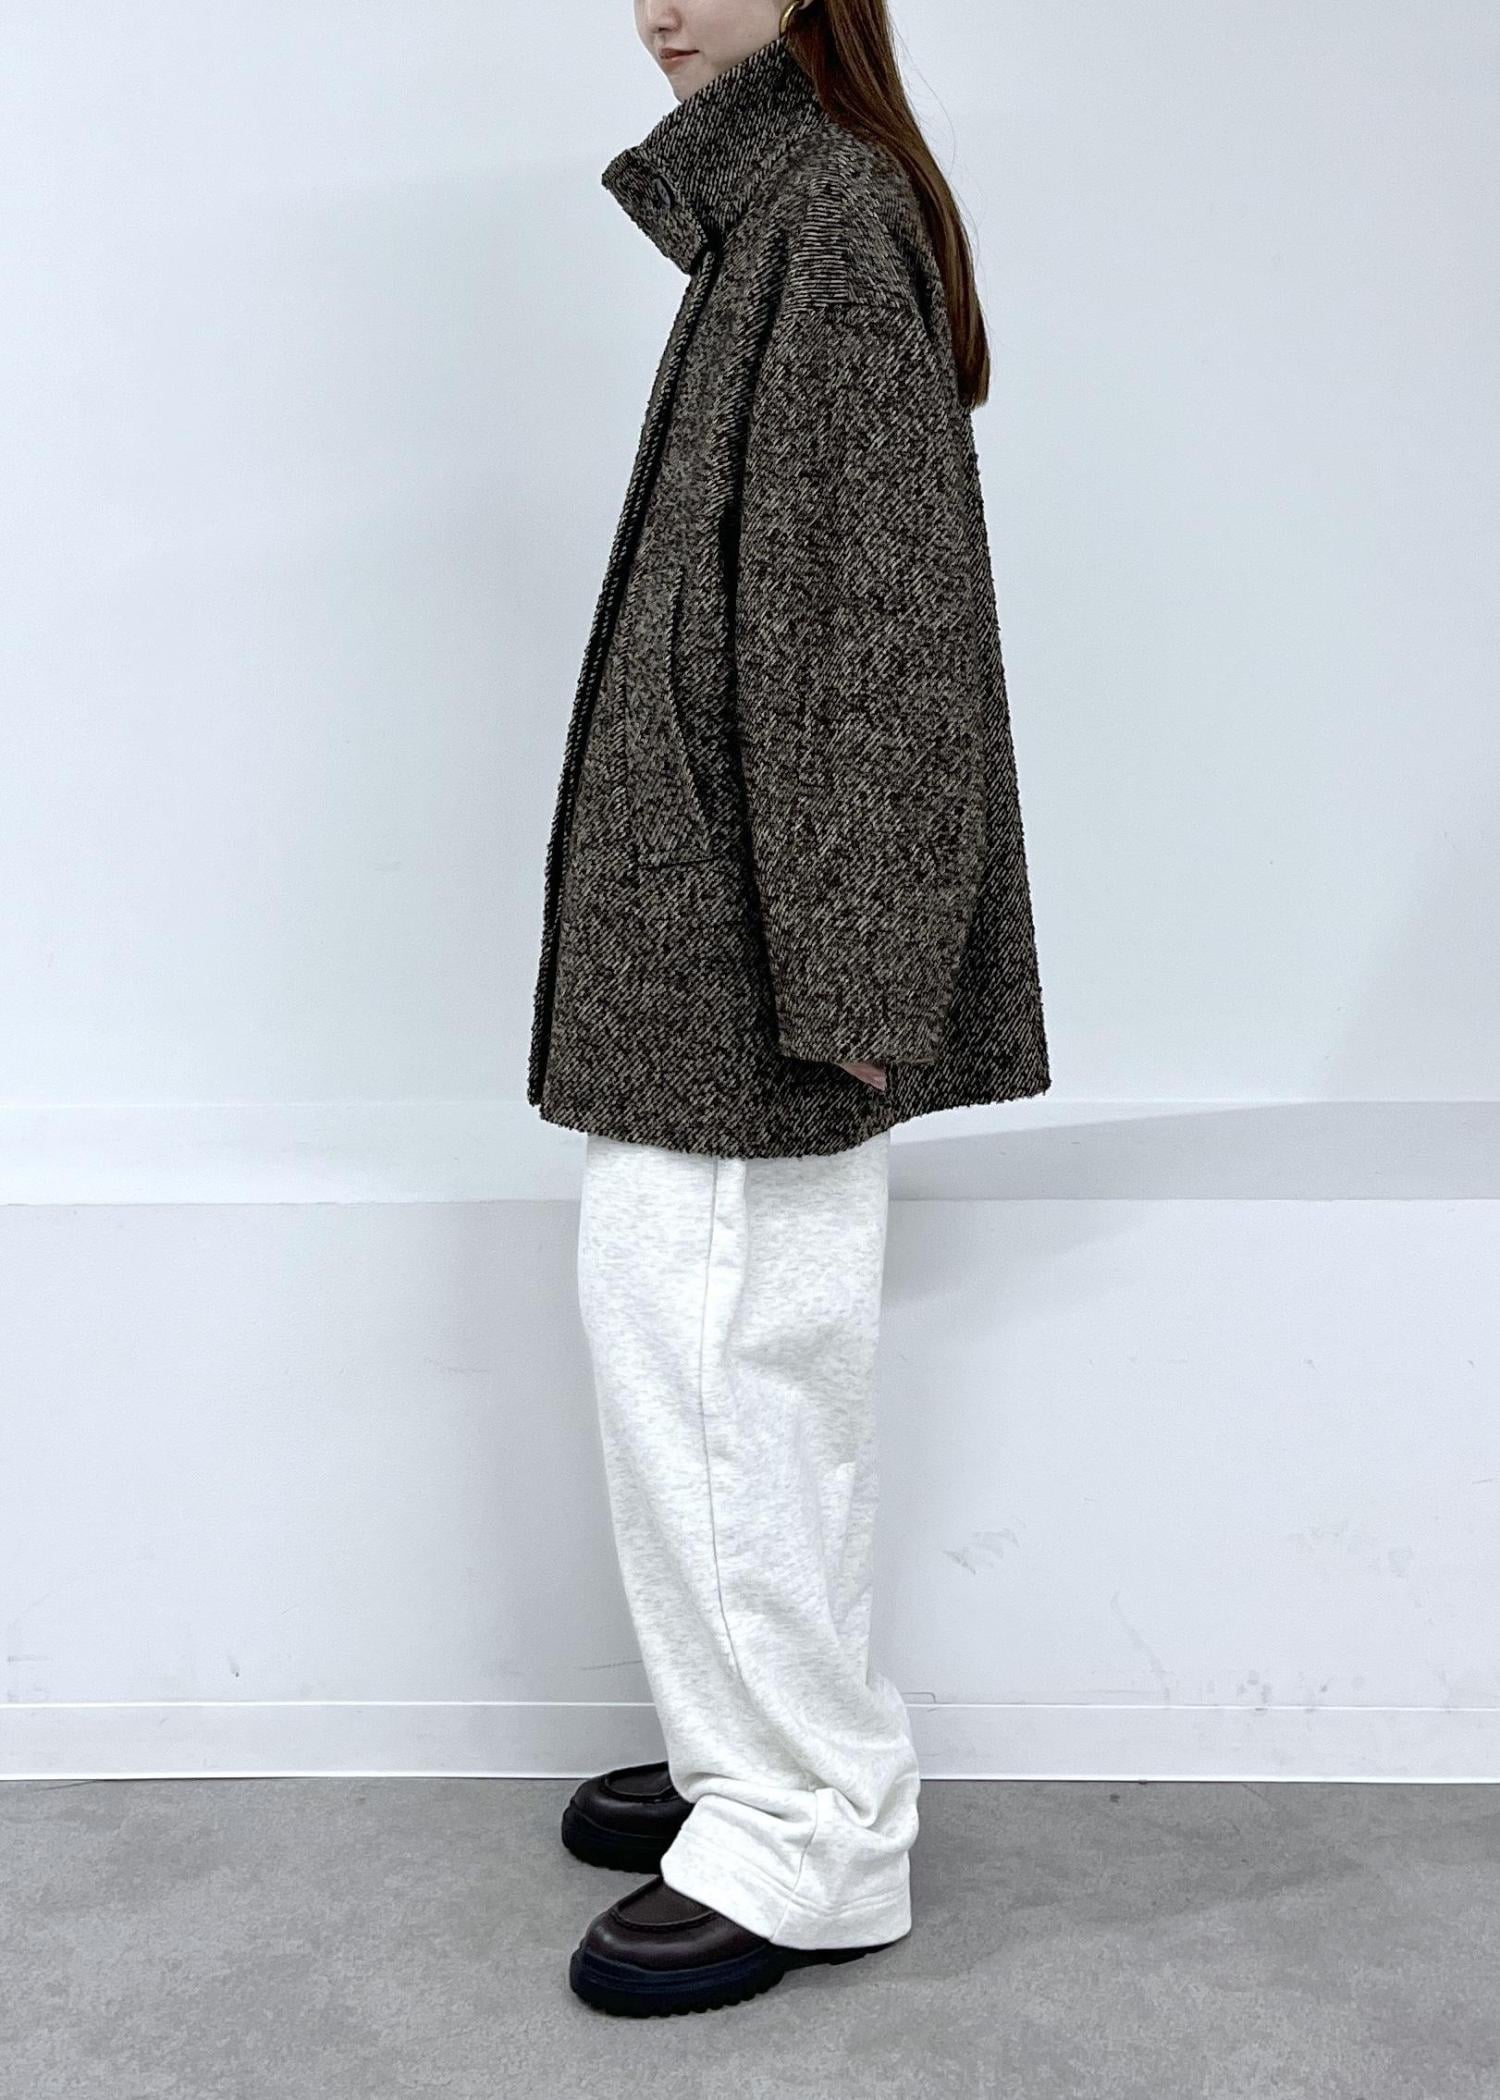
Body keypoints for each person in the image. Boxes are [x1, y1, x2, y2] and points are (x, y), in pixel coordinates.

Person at [527, 0, 1050, 2017]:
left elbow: (865, 629)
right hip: (720, 939)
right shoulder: (782, 216)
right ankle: (742, 1743)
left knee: (728, 1371)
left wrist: (854, 974)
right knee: (697, 1356)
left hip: (759, 968)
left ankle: (808, 1826)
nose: (656, 6)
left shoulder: (821, 220)